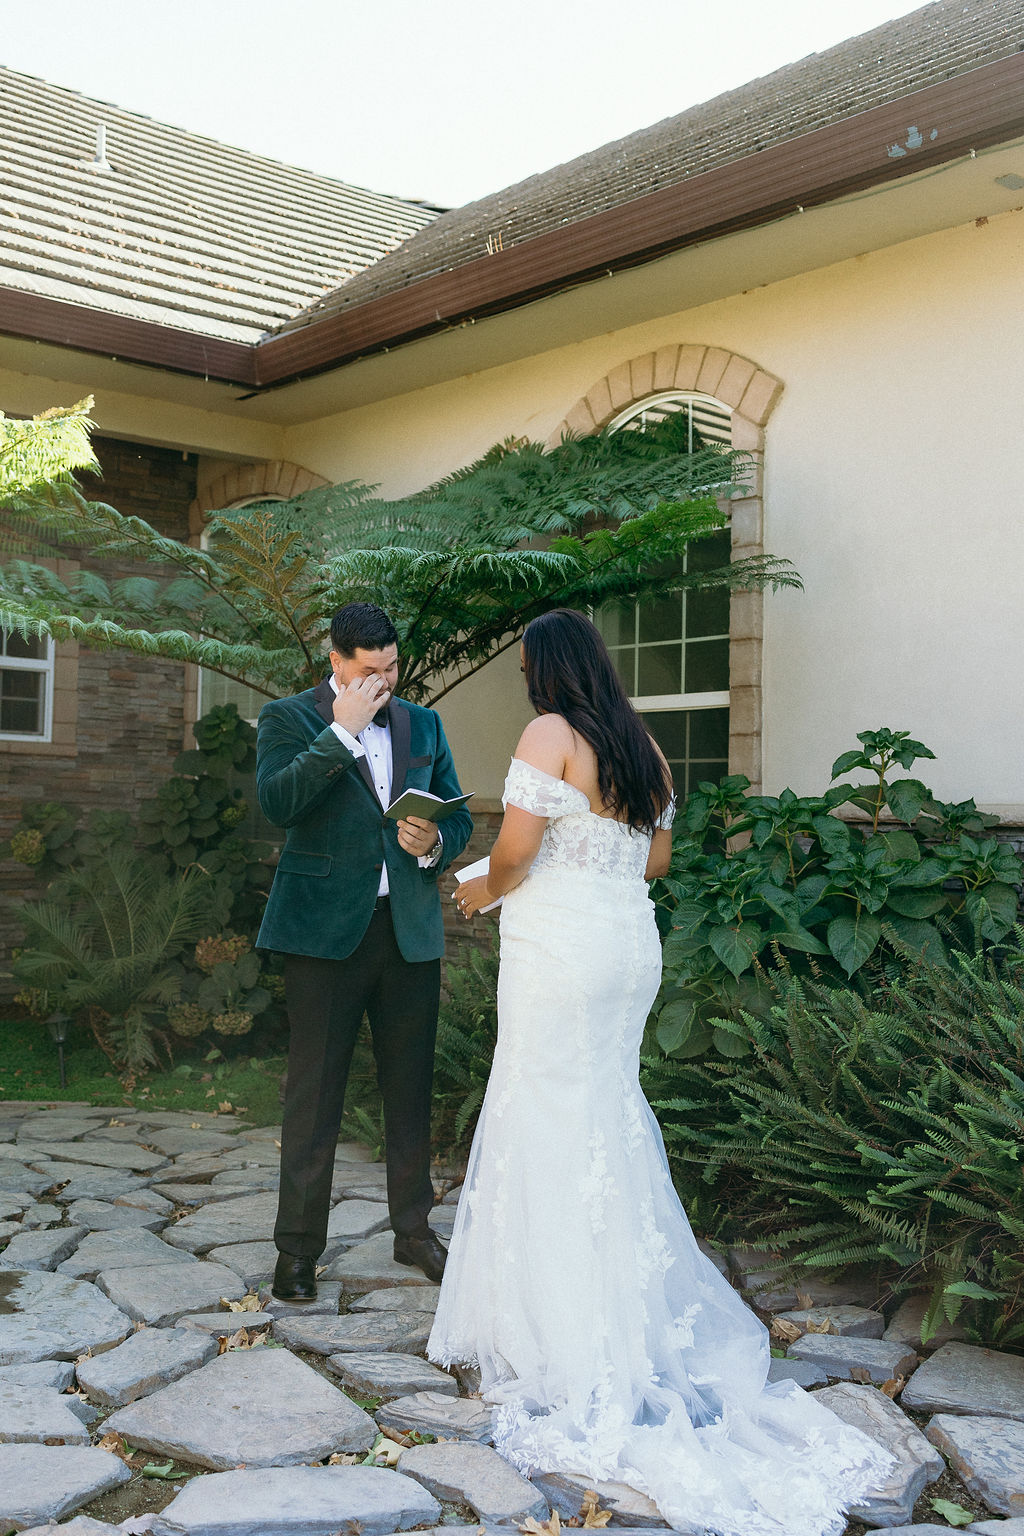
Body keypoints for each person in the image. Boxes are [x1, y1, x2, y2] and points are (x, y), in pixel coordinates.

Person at [430, 609, 891, 1536]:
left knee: (541, 1108)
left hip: (561, 949)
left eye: (525, 665)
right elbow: (659, 859)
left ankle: (548, 1329)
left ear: (545, 670)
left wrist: (483, 881)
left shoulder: (548, 733)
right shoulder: (643, 746)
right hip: (625, 949)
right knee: (602, 1108)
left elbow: (518, 851)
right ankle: (614, 1307)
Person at [256, 602, 473, 1302]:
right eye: (370, 670)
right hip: (323, 936)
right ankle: (297, 1252)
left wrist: (436, 842)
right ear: (336, 660)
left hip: (407, 931)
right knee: (314, 1095)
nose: (384, 682)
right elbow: (279, 803)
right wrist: (340, 734)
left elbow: (459, 812)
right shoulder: (289, 718)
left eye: (393, 667)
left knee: (409, 1089)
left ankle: (413, 1232)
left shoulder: (424, 724)